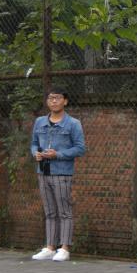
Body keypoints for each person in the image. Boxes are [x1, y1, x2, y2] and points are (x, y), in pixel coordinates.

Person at [30, 89, 86, 262]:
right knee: (49, 211)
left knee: (64, 212)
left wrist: (58, 154)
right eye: (51, 98)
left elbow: (80, 148)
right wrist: (35, 153)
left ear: (65, 101)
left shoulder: (73, 123)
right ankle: (50, 248)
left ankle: (65, 248)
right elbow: (33, 144)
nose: (54, 101)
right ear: (47, 102)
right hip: (43, 171)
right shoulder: (39, 121)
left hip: (62, 172)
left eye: (58, 98)